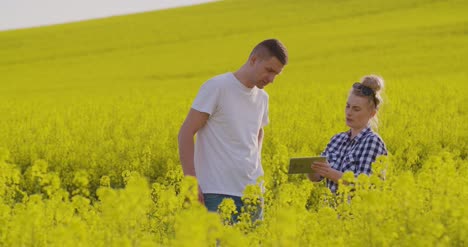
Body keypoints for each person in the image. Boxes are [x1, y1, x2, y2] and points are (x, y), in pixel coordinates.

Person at [178, 39, 288, 220]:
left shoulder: (262, 98)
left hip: (253, 193)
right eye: (269, 70)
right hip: (217, 192)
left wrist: (254, 165)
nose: (271, 79)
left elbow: (258, 132)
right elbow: (186, 133)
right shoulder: (217, 87)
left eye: (276, 74)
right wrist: (190, 183)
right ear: (253, 60)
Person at [308, 75, 388, 193]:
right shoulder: (337, 140)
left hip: (357, 210)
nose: (349, 113)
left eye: (356, 109)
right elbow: (317, 178)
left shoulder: (372, 142)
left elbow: (364, 185)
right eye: (348, 106)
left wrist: (330, 173)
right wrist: (311, 169)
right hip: (330, 209)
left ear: (372, 114)